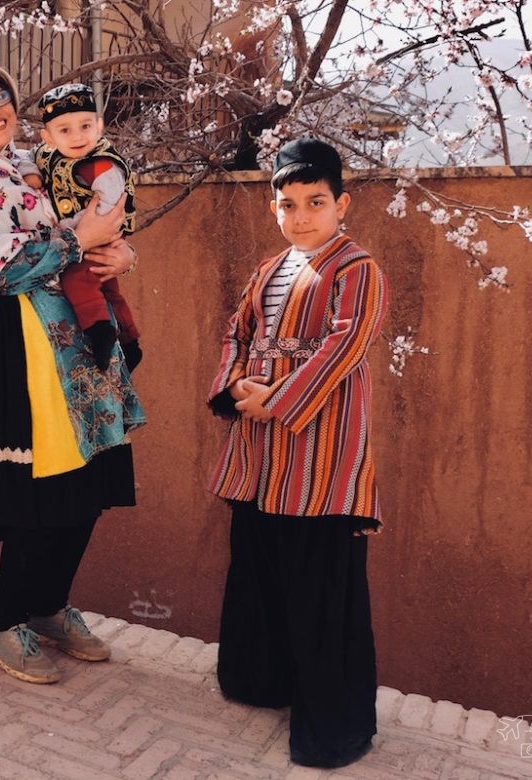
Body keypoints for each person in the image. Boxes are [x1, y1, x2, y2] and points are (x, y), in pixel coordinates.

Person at [0, 59, 145, 684]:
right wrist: (81, 241)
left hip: (69, 348)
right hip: (13, 352)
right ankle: (4, 622)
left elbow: (96, 223)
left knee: (87, 482)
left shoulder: (33, 169)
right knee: (40, 488)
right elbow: (4, 269)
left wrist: (116, 248)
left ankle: (47, 604)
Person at [206, 138, 387, 767]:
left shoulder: (356, 268)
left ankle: (333, 730)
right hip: (258, 454)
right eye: (288, 203)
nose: (302, 216)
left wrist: (276, 397)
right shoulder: (267, 268)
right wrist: (234, 389)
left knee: (320, 587)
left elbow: (346, 348)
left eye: (316, 202)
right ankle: (261, 681)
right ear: (273, 207)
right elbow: (238, 333)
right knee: (260, 570)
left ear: (343, 204)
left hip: (322, 453)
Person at [18, 83, 142, 372]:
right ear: (47, 137)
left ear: (99, 127)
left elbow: (111, 201)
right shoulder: (47, 154)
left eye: (85, 126)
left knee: (77, 279)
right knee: (108, 288)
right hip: (84, 237)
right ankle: (130, 341)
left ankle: (100, 332)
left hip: (96, 232)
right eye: (65, 130)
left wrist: (75, 230)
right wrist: (32, 176)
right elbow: (25, 158)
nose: (77, 137)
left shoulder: (100, 164)